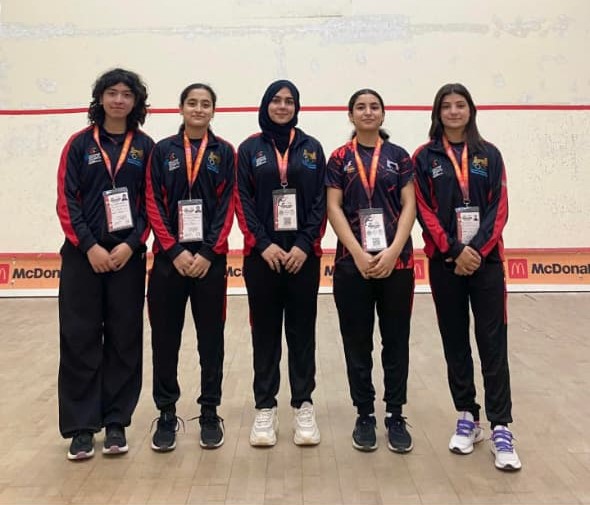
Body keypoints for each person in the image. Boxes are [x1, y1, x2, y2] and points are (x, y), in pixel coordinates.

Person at [413, 83, 521, 471]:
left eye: (461, 105)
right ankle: (467, 417)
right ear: (438, 112)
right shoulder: (424, 157)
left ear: (471, 110)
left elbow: (499, 208)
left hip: (486, 263)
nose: (454, 111)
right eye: (447, 106)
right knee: (455, 341)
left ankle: (501, 426)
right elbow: (424, 211)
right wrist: (454, 250)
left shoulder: (489, 154)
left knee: (492, 343)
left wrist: (475, 251)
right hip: (446, 263)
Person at [56, 68, 154, 460]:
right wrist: (90, 246)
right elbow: (67, 201)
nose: (118, 100)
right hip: (83, 258)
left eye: (126, 94)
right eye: (112, 93)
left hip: (127, 258)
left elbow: (152, 203)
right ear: (100, 99)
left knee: (124, 338)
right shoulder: (79, 144)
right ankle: (81, 427)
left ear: (136, 102)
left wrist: (132, 245)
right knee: (79, 338)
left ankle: (116, 422)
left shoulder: (145, 147)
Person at [235, 80, 326, 447]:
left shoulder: (312, 148)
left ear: (297, 107)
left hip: (304, 258)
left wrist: (305, 244)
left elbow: (321, 201)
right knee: (266, 334)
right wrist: (264, 244)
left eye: (290, 101)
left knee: (302, 334)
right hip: (263, 259)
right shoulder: (249, 149)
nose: (283, 106)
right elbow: (242, 200)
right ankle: (265, 407)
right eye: (276, 100)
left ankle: (303, 405)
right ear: (265, 105)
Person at [146, 83, 235, 451]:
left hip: (209, 263)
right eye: (192, 103)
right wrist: (173, 250)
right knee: (165, 340)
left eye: (206, 104)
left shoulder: (224, 152)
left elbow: (229, 205)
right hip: (169, 262)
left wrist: (209, 252)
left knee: (210, 340)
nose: (199, 109)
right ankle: (166, 412)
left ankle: (209, 411)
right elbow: (151, 201)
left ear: (213, 110)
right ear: (181, 108)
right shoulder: (161, 150)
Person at [326, 89, 416, 453]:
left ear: (382, 114)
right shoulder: (339, 158)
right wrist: (358, 253)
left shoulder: (399, 156)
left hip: (398, 263)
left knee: (395, 341)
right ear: (350, 115)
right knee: (357, 342)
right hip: (352, 265)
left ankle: (395, 414)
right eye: (360, 107)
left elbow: (410, 206)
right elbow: (333, 207)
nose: (367, 112)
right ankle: (364, 413)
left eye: (374, 107)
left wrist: (393, 252)